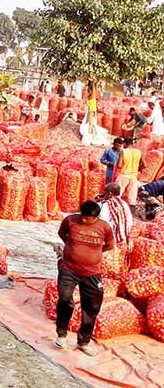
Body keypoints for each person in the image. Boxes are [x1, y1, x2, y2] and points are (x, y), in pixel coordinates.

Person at [54, 200, 114, 356]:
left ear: (96, 217)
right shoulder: (70, 220)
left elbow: (109, 245)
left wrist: (92, 253)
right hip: (69, 269)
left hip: (92, 273)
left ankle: (83, 342)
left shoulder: (104, 227)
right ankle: (61, 334)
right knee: (65, 300)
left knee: (91, 307)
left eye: (88, 218)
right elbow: (62, 234)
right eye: (83, 216)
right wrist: (72, 248)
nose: (84, 220)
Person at [116, 137, 143, 205]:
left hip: (123, 175)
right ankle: (131, 210)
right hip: (133, 177)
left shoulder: (123, 151)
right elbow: (144, 164)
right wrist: (138, 169)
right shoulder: (138, 152)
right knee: (132, 197)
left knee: (117, 195)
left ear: (125, 143)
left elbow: (119, 165)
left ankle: (117, 207)